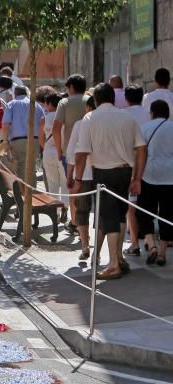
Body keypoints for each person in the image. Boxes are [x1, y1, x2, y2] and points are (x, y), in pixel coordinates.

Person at [74, 83, 146, 280]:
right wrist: (138, 177)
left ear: (96, 100)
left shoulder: (90, 118)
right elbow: (141, 148)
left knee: (109, 218)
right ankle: (119, 258)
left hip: (103, 173)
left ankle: (113, 264)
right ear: (114, 98)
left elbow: (81, 153)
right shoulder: (127, 117)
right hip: (125, 171)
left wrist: (78, 179)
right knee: (120, 214)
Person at [137, 100, 173, 266]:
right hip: (170, 177)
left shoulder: (145, 128)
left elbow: (140, 154)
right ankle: (162, 253)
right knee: (167, 214)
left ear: (152, 113)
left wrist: (135, 177)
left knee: (144, 212)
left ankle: (151, 245)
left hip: (148, 175)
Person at [66, 94, 96, 261]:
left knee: (82, 210)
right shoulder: (104, 124)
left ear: (88, 108)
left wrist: (70, 175)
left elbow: (72, 153)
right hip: (102, 172)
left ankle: (85, 245)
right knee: (102, 212)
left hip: (82, 174)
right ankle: (97, 250)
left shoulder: (80, 124)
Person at [2, 85, 44, 175]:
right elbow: (43, 123)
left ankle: (22, 189)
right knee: (31, 169)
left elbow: (6, 124)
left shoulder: (11, 104)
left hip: (17, 141)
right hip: (35, 140)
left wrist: (5, 141)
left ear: (15, 94)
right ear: (26, 93)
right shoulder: (36, 105)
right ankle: (31, 188)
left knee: (20, 170)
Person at [39, 89, 67, 218]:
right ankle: (65, 208)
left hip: (48, 152)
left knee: (52, 182)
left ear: (50, 104)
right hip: (62, 152)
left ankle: (54, 211)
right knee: (65, 181)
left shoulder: (44, 119)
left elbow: (40, 138)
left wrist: (45, 147)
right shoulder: (64, 118)